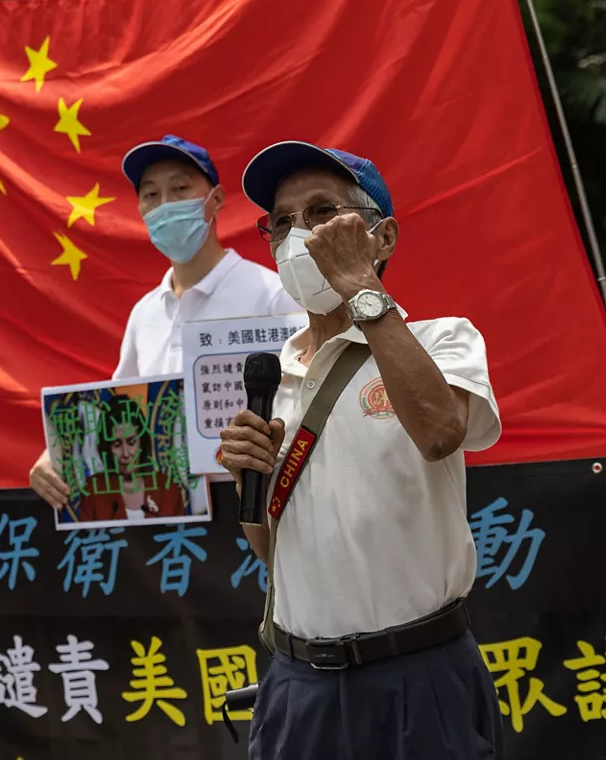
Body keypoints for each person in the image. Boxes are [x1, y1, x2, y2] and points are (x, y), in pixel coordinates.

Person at [218, 141, 503, 759]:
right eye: (282, 222)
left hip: (419, 678)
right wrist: (249, 480)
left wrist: (360, 288)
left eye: (323, 212)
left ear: (383, 236)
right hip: (298, 686)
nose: (300, 236)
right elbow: (274, 554)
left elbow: (439, 433)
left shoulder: (441, 340)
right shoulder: (277, 374)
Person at [30, 135, 300, 511]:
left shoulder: (272, 295)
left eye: (180, 189)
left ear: (216, 199)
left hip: (257, 505)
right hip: (170, 513)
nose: (165, 205)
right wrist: (60, 455)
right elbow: (120, 408)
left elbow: (305, 405)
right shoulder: (145, 314)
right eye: (151, 195)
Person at [72, 395, 189, 522]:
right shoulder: (93, 490)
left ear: (142, 443)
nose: (126, 454)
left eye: (131, 442)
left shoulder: (167, 488)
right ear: (107, 448)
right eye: (117, 444)